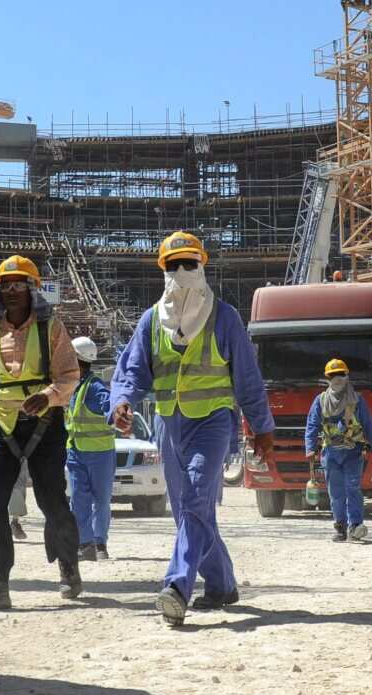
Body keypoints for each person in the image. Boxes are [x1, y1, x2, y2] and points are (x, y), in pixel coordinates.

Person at [108, 231, 274, 627]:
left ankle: (177, 586)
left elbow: (248, 380)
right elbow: (131, 371)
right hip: (170, 424)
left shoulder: (225, 317)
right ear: (163, 271)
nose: (182, 272)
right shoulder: (151, 321)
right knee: (188, 513)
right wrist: (121, 402)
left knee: (196, 501)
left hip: (213, 423)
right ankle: (221, 585)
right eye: (173, 265)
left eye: (189, 264)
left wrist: (262, 427)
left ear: (203, 266)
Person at [0, 254, 82, 613]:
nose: (12, 291)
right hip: (1, 427)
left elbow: (68, 375)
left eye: (20, 285)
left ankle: (68, 567)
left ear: (33, 290)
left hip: (45, 425)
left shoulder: (51, 330)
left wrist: (47, 396)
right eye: (6, 285)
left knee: (52, 500)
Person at [304, 359, 372, 542]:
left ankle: (355, 525)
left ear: (346, 377)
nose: (336, 378)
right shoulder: (321, 401)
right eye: (333, 375)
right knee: (336, 493)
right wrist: (310, 448)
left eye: (340, 374)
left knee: (353, 488)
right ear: (327, 379)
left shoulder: (357, 401)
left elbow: (368, 425)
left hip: (353, 452)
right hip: (331, 454)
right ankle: (340, 526)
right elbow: (312, 425)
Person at [67, 336, 117, 561]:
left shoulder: (95, 388)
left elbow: (111, 407)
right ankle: (84, 543)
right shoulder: (74, 388)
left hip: (100, 454)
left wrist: (118, 414)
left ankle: (100, 543)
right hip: (76, 452)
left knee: (101, 499)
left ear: (78, 361)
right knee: (78, 499)